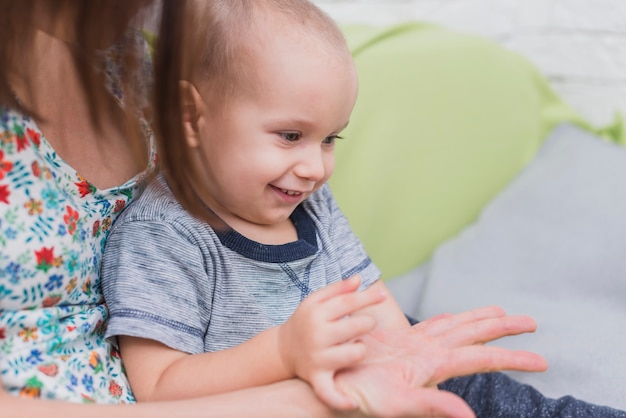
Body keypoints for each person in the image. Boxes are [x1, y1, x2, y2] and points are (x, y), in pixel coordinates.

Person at [0, 1, 567, 417]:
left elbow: (372, 302)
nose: (316, 167)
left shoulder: (305, 198)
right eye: (291, 135)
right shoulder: (158, 234)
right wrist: (285, 356)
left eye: (330, 141)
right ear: (191, 117)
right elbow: (161, 383)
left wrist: (407, 357)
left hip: (338, 365)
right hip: (245, 393)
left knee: (497, 394)